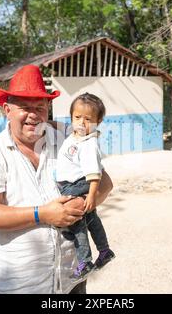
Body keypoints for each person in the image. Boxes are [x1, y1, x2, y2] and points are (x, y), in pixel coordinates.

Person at [0, 64, 113, 294]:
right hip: (20, 287)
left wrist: (84, 202)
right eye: (24, 107)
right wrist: (41, 214)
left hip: (72, 283)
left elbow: (105, 184)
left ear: (48, 108)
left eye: (40, 107)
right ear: (7, 109)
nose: (34, 114)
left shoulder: (67, 140)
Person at [56, 93, 115, 280]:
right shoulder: (75, 137)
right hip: (74, 182)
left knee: (76, 220)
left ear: (98, 121)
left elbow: (94, 174)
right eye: (77, 117)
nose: (82, 123)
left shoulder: (89, 144)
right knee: (90, 217)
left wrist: (91, 195)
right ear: (71, 116)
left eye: (88, 119)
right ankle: (104, 251)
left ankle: (85, 261)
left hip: (76, 185)